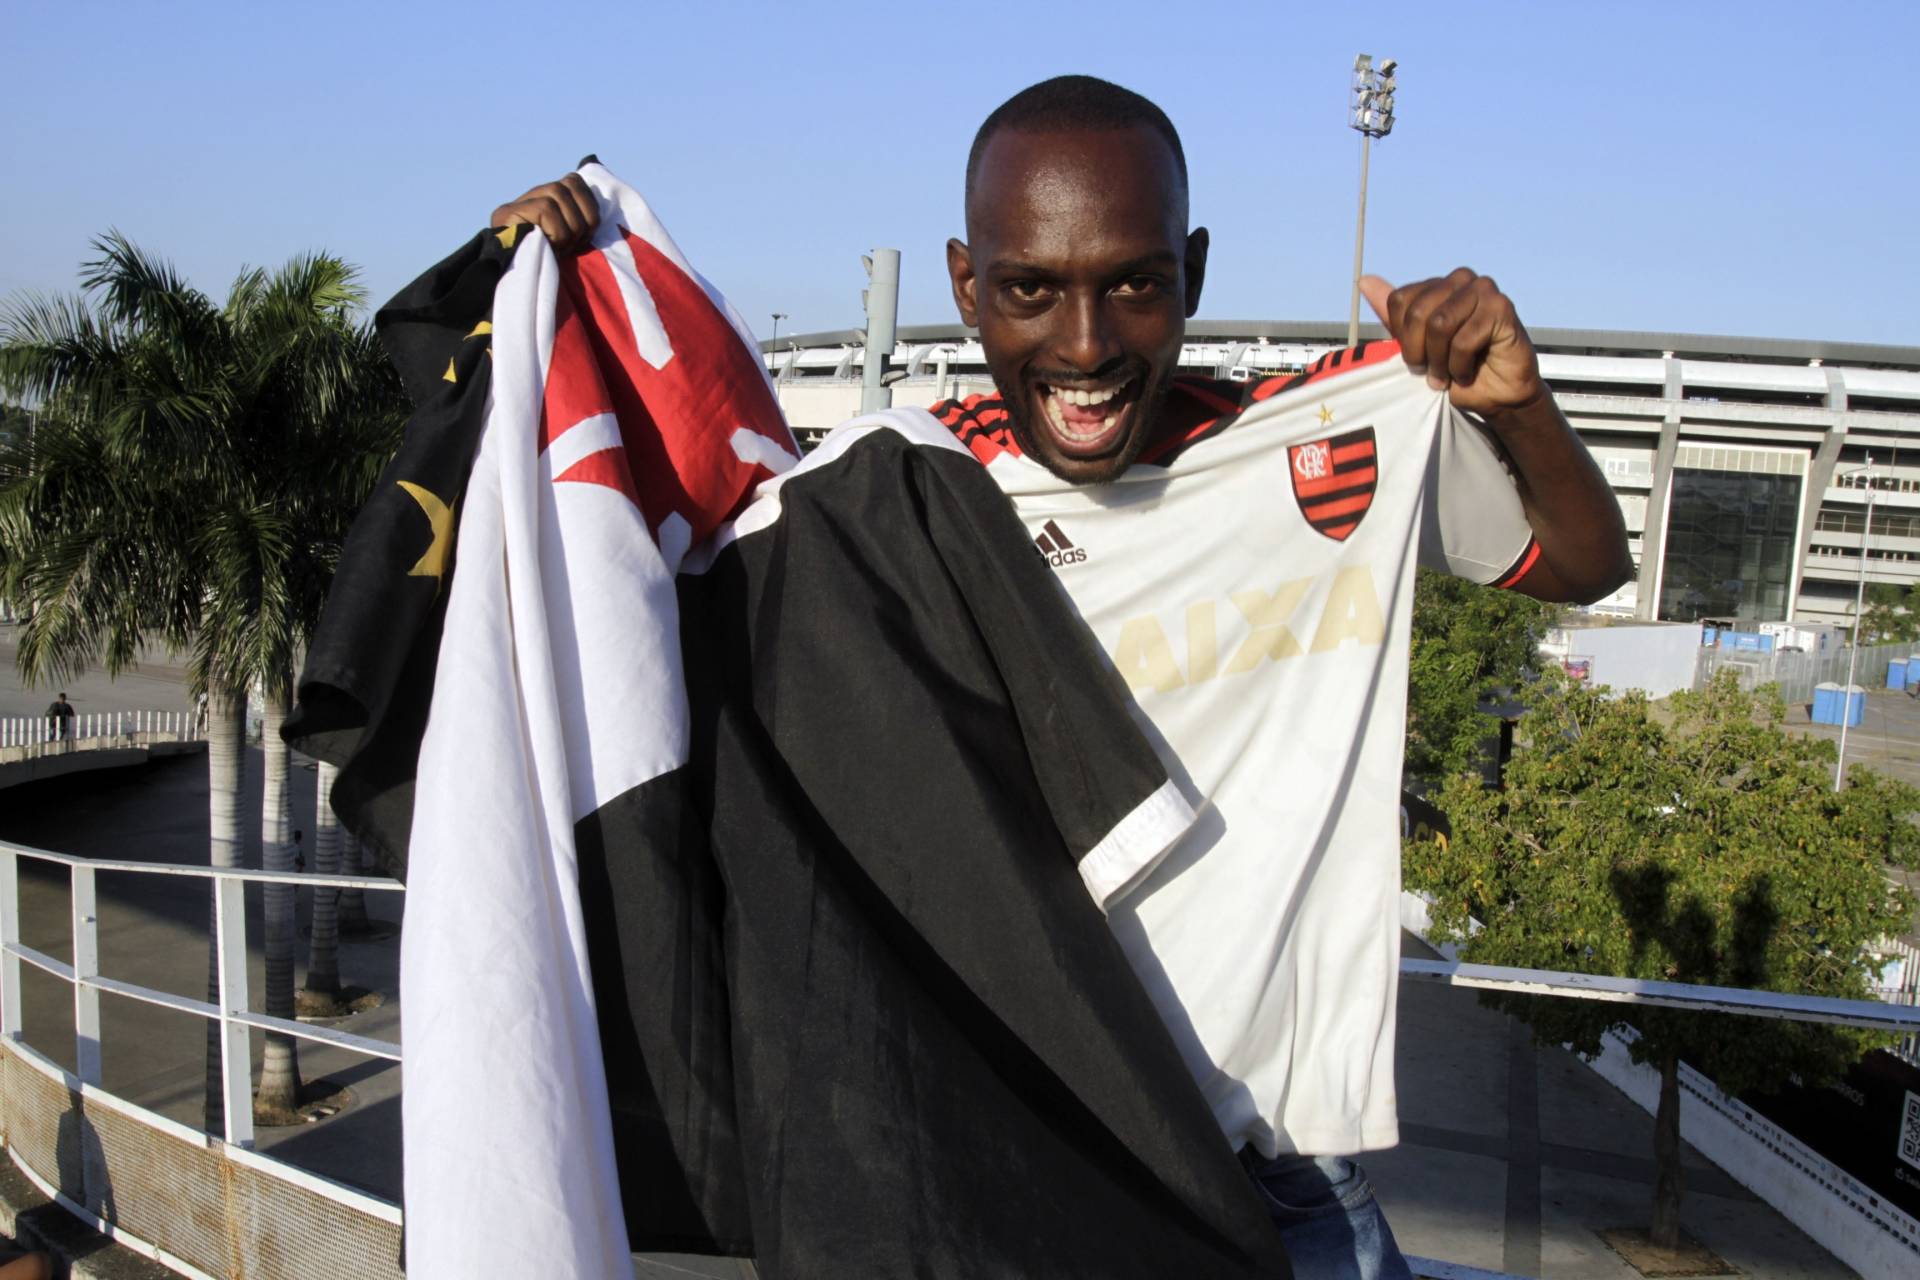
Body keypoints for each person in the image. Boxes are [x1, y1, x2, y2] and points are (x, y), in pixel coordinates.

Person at [489, 75, 1630, 1279]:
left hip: (1283, 1179)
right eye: (1032, 289)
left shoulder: (1320, 449)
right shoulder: (900, 507)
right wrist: (534, 316)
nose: (1085, 348)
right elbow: (641, 558)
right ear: (967, 284)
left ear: (1189, 271)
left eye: (1133, 283)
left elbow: (1581, 562)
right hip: (1014, 1160)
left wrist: (1524, 406)